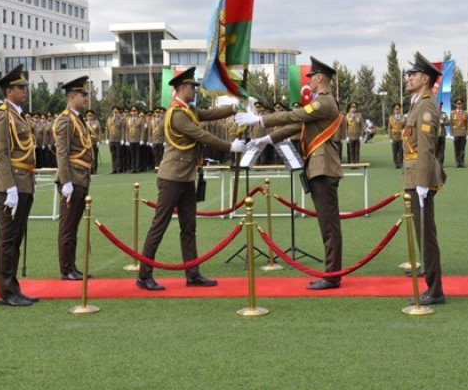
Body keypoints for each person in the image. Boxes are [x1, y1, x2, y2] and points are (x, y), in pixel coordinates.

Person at [237, 56, 344, 290]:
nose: (309, 83)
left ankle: (333, 275)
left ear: (320, 78)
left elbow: (294, 116)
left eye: (311, 78)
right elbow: (297, 126)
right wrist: (266, 139)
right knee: (327, 223)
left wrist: (260, 119)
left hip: (323, 168)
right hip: (319, 167)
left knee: (329, 224)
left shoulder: (323, 103)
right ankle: (332, 272)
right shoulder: (320, 103)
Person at [136, 67, 245, 291]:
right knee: (160, 225)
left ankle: (192, 272)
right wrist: (230, 146)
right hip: (172, 177)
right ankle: (144, 275)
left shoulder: (189, 110)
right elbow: (201, 135)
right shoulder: (176, 113)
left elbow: (209, 114)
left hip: (186, 177)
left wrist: (234, 108)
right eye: (192, 87)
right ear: (181, 88)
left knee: (189, 226)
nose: (195, 90)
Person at [0, 64, 37, 307]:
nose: (24, 91)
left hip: (24, 183)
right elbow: (1, 153)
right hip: (12, 186)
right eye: (20, 87)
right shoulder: (1, 116)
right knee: (7, 240)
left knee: (15, 239)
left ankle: (13, 288)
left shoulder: (18, 115)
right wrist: (9, 187)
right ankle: (6, 292)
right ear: (9, 91)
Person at [402, 52, 447, 306]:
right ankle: (431, 284)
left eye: (413, 75)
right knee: (421, 234)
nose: (409, 78)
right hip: (413, 177)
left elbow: (427, 147)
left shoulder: (427, 106)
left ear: (425, 79)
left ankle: (435, 290)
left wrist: (421, 182)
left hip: (420, 179)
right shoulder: (417, 103)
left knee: (426, 235)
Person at [54, 76, 94, 281]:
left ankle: (72, 266)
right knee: (68, 227)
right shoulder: (64, 120)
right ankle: (66, 268)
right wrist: (66, 181)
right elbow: (62, 152)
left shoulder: (77, 118)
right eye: (82, 94)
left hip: (81, 177)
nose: (85, 98)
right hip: (73, 178)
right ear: (71, 97)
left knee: (74, 226)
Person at [450, 98, 468, 168]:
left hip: (463, 133)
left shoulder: (465, 113)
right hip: (455, 133)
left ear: (462, 104)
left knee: (462, 149)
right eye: (458, 104)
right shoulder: (452, 113)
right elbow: (451, 124)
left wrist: (467, 134)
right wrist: (451, 134)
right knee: (456, 149)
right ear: (455, 104)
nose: (459, 105)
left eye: (460, 104)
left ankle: (462, 162)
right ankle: (457, 162)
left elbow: (467, 124)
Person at [388, 103, 405, 169]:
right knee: (394, 151)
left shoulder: (403, 117)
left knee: (401, 151)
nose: (397, 110)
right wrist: (390, 138)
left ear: (400, 109)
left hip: (401, 136)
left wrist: (406, 136)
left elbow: (405, 127)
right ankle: (396, 163)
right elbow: (389, 128)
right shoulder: (391, 118)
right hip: (394, 136)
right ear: (393, 110)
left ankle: (400, 163)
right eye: (396, 109)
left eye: (398, 109)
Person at [85, 109, 102, 174]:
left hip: (94, 142)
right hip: (87, 143)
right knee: (88, 157)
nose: (89, 117)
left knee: (95, 156)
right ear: (86, 117)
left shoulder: (96, 123)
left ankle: (94, 170)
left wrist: (99, 141)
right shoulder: (85, 123)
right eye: (88, 116)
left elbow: (99, 132)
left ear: (93, 116)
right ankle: (89, 169)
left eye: (91, 116)